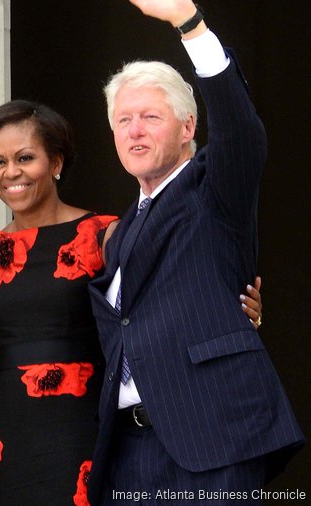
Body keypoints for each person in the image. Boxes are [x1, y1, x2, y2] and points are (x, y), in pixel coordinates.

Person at [0, 63, 264, 506]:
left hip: (87, 433)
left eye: (25, 157)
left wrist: (236, 313)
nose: (11, 172)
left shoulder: (108, 234)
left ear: (57, 162)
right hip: (7, 438)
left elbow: (172, 300)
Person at [87, 1, 304, 503]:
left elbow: (240, 129)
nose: (134, 130)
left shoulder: (214, 188)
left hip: (211, 433)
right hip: (130, 448)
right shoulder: (120, 232)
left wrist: (189, 23)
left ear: (188, 128)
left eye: (149, 117)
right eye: (123, 120)